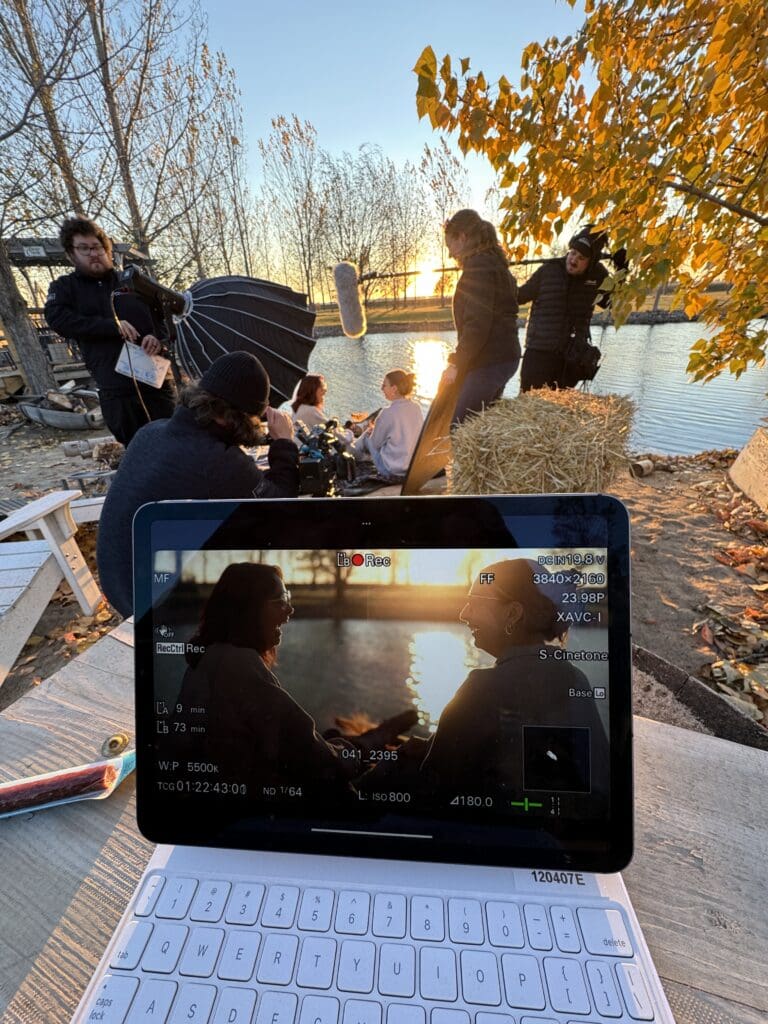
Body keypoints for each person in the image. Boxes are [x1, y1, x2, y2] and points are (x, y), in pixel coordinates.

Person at [97, 351, 299, 617]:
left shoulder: (151, 431)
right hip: (148, 603)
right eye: (255, 419)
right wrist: (284, 442)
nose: (256, 427)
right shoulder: (216, 462)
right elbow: (280, 508)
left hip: (117, 582)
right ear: (233, 417)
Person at [420, 559, 609, 802]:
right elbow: (595, 783)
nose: (463, 614)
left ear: (512, 614)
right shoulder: (574, 678)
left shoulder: (483, 686)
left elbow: (430, 786)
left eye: (475, 602)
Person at [174, 562, 361, 797]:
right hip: (244, 812)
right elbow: (307, 751)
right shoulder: (237, 664)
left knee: (334, 737)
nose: (290, 610)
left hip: (215, 802)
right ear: (249, 609)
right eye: (281, 600)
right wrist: (351, 756)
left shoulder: (206, 660)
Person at [44, 216, 176, 444]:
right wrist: (111, 326)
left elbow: (166, 315)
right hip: (116, 389)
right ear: (71, 254)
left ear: (107, 249)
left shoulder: (132, 282)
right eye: (84, 249)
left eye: (96, 247)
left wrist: (159, 339)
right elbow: (58, 319)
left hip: (155, 381)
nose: (93, 254)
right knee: (137, 449)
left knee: (174, 443)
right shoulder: (65, 287)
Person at [440, 209, 521, 423]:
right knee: (483, 424)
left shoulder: (479, 268)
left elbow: (477, 325)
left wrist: (456, 363)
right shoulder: (495, 264)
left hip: (491, 360)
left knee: (461, 426)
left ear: (463, 237)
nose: (450, 254)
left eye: (450, 245)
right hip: (504, 357)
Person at [518, 227, 615, 391]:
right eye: (573, 253)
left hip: (571, 358)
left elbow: (613, 302)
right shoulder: (548, 270)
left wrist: (622, 270)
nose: (573, 260)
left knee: (559, 412)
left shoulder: (598, 275)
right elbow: (519, 296)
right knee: (527, 405)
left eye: (581, 257)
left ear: (590, 262)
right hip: (538, 353)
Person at [351, 368, 424, 480]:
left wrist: (372, 431)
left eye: (384, 385)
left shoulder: (387, 413)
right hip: (411, 468)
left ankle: (352, 453)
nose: (381, 389)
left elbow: (375, 444)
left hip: (391, 470)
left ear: (394, 388)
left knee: (366, 436)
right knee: (379, 435)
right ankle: (358, 452)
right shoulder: (416, 408)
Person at [290, 373, 353, 443]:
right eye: (322, 391)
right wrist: (350, 432)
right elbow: (338, 435)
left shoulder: (299, 406)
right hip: (304, 448)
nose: (323, 395)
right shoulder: (310, 411)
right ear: (313, 391)